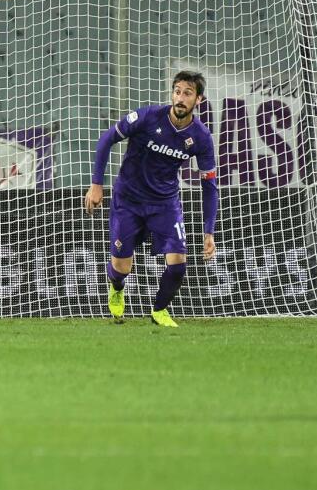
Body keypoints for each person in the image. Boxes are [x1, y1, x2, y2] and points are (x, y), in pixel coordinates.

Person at [84, 71, 219, 328]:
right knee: (121, 268)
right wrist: (96, 185)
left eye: (187, 93)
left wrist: (209, 231)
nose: (180, 98)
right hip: (128, 199)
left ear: (198, 100)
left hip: (165, 203)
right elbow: (106, 140)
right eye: (177, 91)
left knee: (179, 263)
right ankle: (116, 287)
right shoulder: (147, 117)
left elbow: (209, 185)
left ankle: (160, 310)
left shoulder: (201, 137)